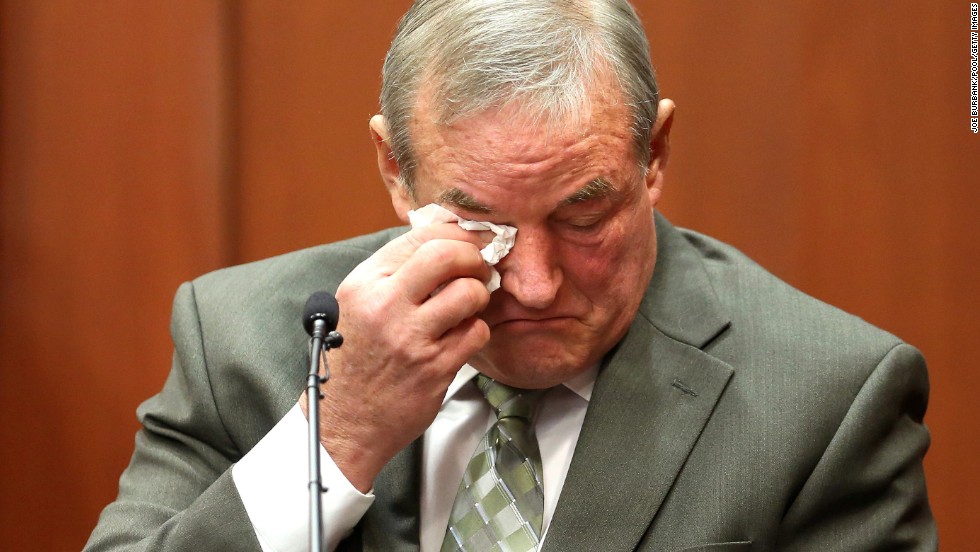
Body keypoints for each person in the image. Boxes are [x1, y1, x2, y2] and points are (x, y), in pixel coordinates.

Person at [85, 1, 937, 550]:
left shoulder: (827, 398)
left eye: (581, 215)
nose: (532, 283)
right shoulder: (240, 335)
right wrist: (335, 437)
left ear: (654, 157)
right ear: (395, 169)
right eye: (479, 221)